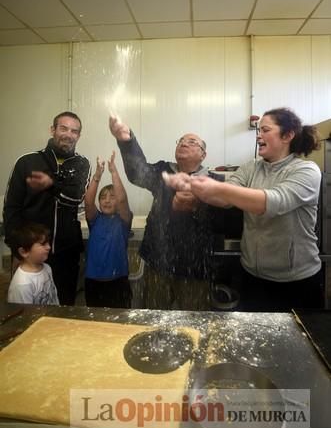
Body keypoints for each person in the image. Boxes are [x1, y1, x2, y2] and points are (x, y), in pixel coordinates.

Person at [163, 107, 324, 311]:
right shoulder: (251, 167)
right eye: (259, 130)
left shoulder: (306, 170)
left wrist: (216, 187)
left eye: (265, 130)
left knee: (297, 342)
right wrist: (192, 188)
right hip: (253, 277)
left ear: (288, 135)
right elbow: (226, 199)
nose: (259, 136)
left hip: (296, 281)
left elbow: (271, 202)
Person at [109, 116, 224, 310]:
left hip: (196, 269)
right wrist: (127, 140)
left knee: (195, 323)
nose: (184, 144)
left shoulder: (216, 181)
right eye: (181, 141)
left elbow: (223, 223)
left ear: (203, 155)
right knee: (154, 318)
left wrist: (198, 207)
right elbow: (138, 173)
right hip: (158, 263)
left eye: (192, 142)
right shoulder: (163, 171)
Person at [3, 111, 91, 305]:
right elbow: (11, 209)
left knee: (65, 307)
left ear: (79, 136)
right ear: (53, 130)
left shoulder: (82, 164)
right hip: (29, 252)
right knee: (24, 312)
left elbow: (74, 198)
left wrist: (51, 185)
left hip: (66, 254)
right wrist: (18, 250)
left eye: (74, 131)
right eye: (63, 128)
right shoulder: (27, 162)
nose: (68, 134)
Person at [84, 152, 133, 308]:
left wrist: (113, 172)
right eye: (103, 197)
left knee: (120, 324)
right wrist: (97, 176)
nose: (106, 200)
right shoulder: (95, 219)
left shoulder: (123, 220)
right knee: (96, 325)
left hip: (118, 281)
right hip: (93, 282)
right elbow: (88, 203)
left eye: (112, 197)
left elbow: (123, 199)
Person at [7, 222, 59, 305]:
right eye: (43, 244)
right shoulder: (22, 285)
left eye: (48, 243)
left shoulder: (47, 268)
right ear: (24, 252)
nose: (49, 247)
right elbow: (24, 314)